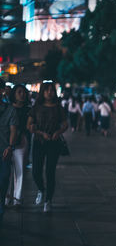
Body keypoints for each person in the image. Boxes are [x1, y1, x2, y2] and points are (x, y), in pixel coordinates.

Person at [27, 82, 68, 212]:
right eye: (47, 90)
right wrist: (39, 132)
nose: (49, 92)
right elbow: (29, 125)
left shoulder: (58, 107)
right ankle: (41, 189)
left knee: (50, 172)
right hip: (39, 141)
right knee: (36, 171)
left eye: (51, 90)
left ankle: (48, 200)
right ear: (42, 92)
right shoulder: (36, 107)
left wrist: (58, 132)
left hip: (53, 143)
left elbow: (65, 124)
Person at [5, 85, 30, 207]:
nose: (22, 94)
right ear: (14, 94)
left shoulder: (28, 110)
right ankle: (6, 198)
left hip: (22, 142)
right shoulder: (8, 108)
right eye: (19, 92)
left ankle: (17, 199)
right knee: (6, 172)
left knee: (20, 171)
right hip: (7, 141)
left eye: (24, 92)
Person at [0, 79, 18, 226]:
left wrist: (10, 147)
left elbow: (13, 130)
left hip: (4, 150)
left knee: (4, 179)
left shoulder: (10, 110)